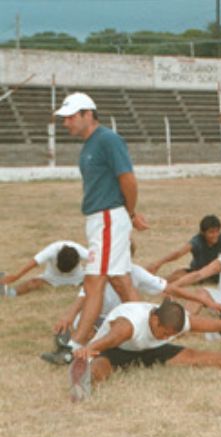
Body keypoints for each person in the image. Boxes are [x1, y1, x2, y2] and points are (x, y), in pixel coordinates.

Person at [55, 92, 148, 354]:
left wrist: (128, 214)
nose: (66, 123)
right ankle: (150, 332)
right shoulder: (89, 145)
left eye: (70, 117)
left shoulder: (108, 140)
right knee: (120, 281)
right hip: (101, 219)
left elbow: (128, 180)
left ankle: (76, 344)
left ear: (88, 114)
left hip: (108, 217)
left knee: (94, 281)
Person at [67, 298, 221, 402]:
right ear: (155, 318)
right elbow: (109, 339)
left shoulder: (176, 321)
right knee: (101, 369)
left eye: (170, 334)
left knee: (196, 357)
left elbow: (219, 325)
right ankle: (82, 385)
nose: (166, 336)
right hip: (116, 348)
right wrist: (87, 350)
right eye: (163, 332)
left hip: (150, 349)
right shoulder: (128, 324)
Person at [42, 249, 221, 365]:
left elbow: (169, 288)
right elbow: (84, 297)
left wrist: (207, 302)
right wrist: (68, 316)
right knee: (90, 331)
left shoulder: (134, 271)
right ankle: (73, 349)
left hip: (125, 319)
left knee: (134, 313)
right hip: (99, 319)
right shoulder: (98, 272)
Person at [147, 214, 221, 283]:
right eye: (211, 232)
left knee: (179, 278)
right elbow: (179, 253)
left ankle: (156, 283)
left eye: (217, 231)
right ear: (202, 232)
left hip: (216, 274)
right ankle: (155, 282)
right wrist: (158, 263)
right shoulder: (197, 241)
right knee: (177, 273)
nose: (215, 235)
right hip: (198, 271)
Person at [0, 240, 87, 297]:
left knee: (95, 281)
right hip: (51, 278)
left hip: (77, 277)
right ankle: (11, 293)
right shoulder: (51, 250)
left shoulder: (81, 251)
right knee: (33, 283)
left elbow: (99, 261)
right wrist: (16, 276)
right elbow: (32, 263)